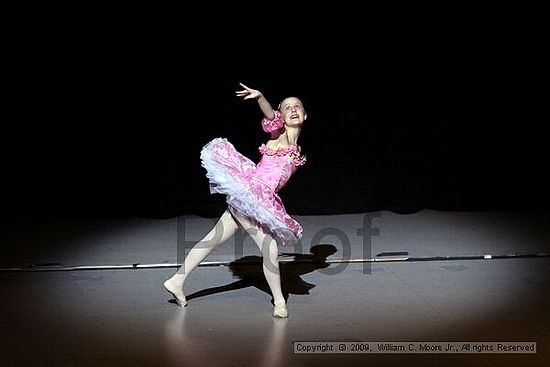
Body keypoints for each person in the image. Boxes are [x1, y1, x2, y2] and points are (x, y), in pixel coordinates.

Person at [163, 82, 308, 318]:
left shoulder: (296, 146)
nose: (293, 110)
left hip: (257, 201)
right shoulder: (278, 134)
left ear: (305, 114)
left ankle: (177, 280)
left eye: (298, 106)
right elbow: (270, 116)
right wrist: (261, 97)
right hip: (252, 196)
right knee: (269, 250)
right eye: (287, 107)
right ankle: (280, 302)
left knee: (212, 240)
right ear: (281, 115)